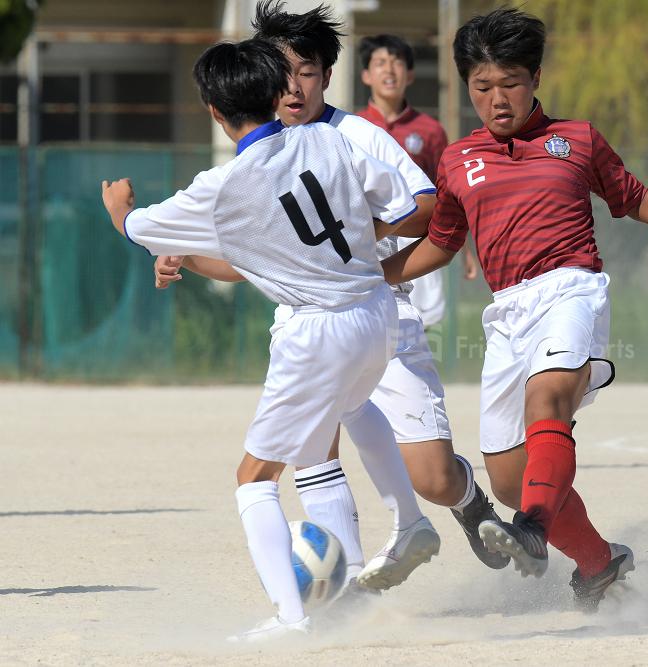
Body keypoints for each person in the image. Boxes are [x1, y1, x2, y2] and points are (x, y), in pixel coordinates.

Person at [382, 8, 648, 610]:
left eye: (510, 83)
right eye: (481, 87)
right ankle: (600, 562)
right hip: (506, 313)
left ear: (535, 79)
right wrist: (370, 279)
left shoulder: (576, 138)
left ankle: (531, 529)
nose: (496, 99)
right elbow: (442, 244)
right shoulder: (457, 160)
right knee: (506, 479)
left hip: (572, 288)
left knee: (547, 403)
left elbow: (631, 198)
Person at [154, 0, 508, 590]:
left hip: (377, 314)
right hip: (308, 327)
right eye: (282, 70)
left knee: (433, 477)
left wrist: (362, 236)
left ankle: (464, 504)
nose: (294, 86)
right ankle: (340, 588)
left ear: (328, 74)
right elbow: (247, 264)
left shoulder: (352, 135)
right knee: (313, 452)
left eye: (309, 71)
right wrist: (186, 258)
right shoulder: (261, 154)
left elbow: (425, 207)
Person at [103, 38, 416, 642]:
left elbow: (140, 230)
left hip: (319, 329)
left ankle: (292, 619)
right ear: (279, 92)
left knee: (253, 479)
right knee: (352, 409)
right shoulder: (331, 138)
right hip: (377, 310)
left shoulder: (221, 185)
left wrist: (119, 209)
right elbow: (401, 203)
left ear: (214, 112)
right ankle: (400, 529)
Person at [356, 32, 477, 326]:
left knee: (422, 320)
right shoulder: (353, 127)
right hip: (372, 238)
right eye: (380, 63)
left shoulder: (430, 130)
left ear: (409, 74)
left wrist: (465, 249)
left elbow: (449, 193)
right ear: (366, 75)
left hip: (416, 239)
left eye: (396, 62)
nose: (389, 70)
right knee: (368, 315)